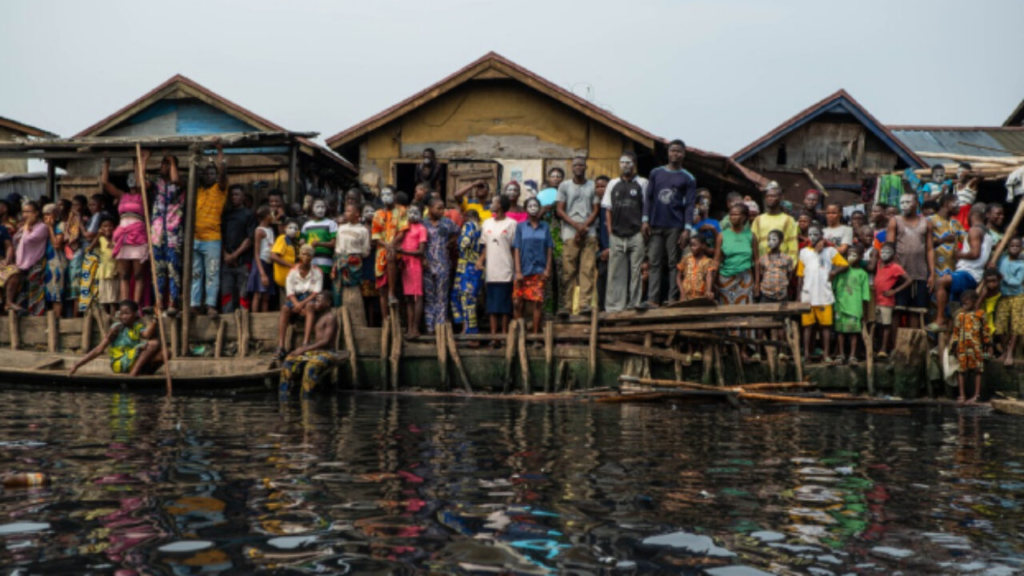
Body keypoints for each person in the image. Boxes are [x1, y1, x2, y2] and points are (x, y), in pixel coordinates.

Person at [642, 140, 696, 307]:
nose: (675, 154)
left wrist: (687, 229)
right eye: (672, 151)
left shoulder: (688, 178)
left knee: (674, 263)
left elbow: (690, 205)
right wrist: (645, 220)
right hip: (655, 224)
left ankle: (672, 299)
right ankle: (652, 299)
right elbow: (648, 198)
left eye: (679, 151)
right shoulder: (656, 173)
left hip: (675, 226)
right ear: (668, 152)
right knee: (654, 262)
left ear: (684, 154)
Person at [602, 152, 649, 312]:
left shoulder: (642, 183)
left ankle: (634, 303)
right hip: (616, 234)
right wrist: (610, 232)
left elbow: (646, 207)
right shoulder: (613, 183)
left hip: (636, 233)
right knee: (615, 272)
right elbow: (608, 210)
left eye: (628, 162)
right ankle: (615, 307)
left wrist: (644, 225)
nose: (625, 165)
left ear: (634, 163)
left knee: (636, 270)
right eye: (622, 162)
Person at [932, 206, 992, 330]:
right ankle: (947, 326)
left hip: (969, 273)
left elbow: (975, 254)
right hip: (972, 273)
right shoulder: (988, 233)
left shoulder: (974, 230)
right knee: (955, 307)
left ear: (971, 214)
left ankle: (940, 319)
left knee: (940, 282)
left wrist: (959, 254)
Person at [714, 203, 760, 360]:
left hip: (745, 279)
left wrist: (757, 283)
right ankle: (727, 347)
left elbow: (756, 260)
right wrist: (712, 283)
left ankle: (743, 348)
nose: (733, 217)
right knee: (727, 314)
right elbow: (717, 260)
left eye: (737, 214)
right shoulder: (722, 235)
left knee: (744, 314)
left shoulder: (751, 236)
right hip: (725, 280)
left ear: (745, 217)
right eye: (731, 214)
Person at [70, 300, 164, 376]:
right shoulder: (116, 328)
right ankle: (133, 374)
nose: (123, 316)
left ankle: (143, 372)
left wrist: (156, 317)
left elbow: (147, 334)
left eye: (127, 313)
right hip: (119, 363)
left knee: (165, 353)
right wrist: (77, 365)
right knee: (153, 343)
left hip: (131, 361)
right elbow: (99, 349)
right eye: (121, 313)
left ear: (135, 314)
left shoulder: (137, 327)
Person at [797, 223, 848, 364]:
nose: (813, 237)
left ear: (821, 235)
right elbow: (800, 275)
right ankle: (807, 355)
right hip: (807, 295)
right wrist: (798, 294)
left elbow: (845, 265)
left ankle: (826, 355)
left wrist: (834, 272)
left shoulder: (830, 251)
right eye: (810, 234)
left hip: (824, 295)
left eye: (816, 234)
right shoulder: (804, 252)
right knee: (807, 327)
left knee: (826, 327)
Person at [556, 156, 599, 314]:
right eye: (575, 165)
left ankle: (584, 305)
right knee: (568, 271)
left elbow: (596, 209)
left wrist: (584, 226)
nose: (578, 167)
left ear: (586, 167)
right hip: (569, 233)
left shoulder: (592, 185)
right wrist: (576, 226)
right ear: (572, 168)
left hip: (589, 232)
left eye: (581, 165)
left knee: (587, 270)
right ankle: (566, 306)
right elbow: (560, 210)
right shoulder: (564, 186)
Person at [279, 293, 344, 396]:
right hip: (316, 352)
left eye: (319, 301)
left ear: (328, 303)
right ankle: (284, 395)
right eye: (316, 301)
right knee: (289, 360)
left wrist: (304, 349)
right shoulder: (318, 316)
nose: (316, 303)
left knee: (311, 367)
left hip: (328, 353)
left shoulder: (330, 318)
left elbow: (325, 341)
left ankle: (307, 397)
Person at [101, 157, 147, 303]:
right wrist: (106, 163)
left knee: (138, 274)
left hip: (138, 235)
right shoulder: (122, 195)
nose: (133, 181)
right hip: (123, 236)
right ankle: (125, 304)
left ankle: (135, 306)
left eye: (135, 177)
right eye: (130, 178)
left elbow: (140, 182)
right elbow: (105, 183)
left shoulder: (143, 195)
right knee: (124, 275)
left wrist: (140, 162)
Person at [192, 142, 230, 318]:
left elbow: (223, 173)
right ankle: (194, 305)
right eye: (206, 173)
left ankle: (210, 305)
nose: (209, 175)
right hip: (195, 238)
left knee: (212, 273)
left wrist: (219, 151)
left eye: (212, 173)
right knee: (196, 273)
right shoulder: (198, 190)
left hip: (212, 239)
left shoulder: (219, 189)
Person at [887, 193, 935, 328]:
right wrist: (898, 270)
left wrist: (932, 273)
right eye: (902, 202)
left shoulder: (926, 223)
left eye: (908, 202)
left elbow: (929, 249)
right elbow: (889, 247)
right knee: (897, 310)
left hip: (920, 273)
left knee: (916, 311)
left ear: (916, 204)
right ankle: (895, 340)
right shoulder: (895, 221)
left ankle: (912, 341)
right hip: (899, 274)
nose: (904, 205)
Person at [513, 197, 553, 342]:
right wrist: (518, 271)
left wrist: (547, 269)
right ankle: (520, 335)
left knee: (537, 302)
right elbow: (517, 248)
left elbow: (549, 248)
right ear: (525, 209)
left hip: (539, 270)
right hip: (523, 270)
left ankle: (536, 335)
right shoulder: (520, 227)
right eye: (530, 205)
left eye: (535, 205)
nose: (533, 207)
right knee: (518, 302)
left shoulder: (545, 227)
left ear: (539, 208)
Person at [480, 195, 517, 346]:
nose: (491, 204)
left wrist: (516, 269)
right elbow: (485, 246)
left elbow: (514, 248)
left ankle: (504, 335)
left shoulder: (512, 224)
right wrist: (480, 260)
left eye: (494, 202)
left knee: (504, 305)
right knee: (492, 305)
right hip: (491, 269)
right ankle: (494, 336)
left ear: (500, 205)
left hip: (505, 268)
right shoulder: (487, 223)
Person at [276, 244, 323, 360]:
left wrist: (300, 305)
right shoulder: (292, 271)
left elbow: (315, 293)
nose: (306, 257)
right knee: (285, 309)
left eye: (309, 255)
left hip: (310, 298)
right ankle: (281, 347)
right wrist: (297, 304)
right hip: (296, 298)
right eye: (303, 254)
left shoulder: (317, 272)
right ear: (299, 255)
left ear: (312, 257)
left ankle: (305, 343)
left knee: (310, 306)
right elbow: (290, 293)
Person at [151, 154, 183, 315]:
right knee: (159, 270)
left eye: (167, 164)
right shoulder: (157, 183)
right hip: (158, 234)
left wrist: (172, 162)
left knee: (173, 268)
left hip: (173, 233)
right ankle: (159, 302)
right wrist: (143, 160)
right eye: (163, 164)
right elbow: (140, 182)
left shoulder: (180, 183)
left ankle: (173, 302)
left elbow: (176, 180)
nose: (164, 167)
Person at [371, 186, 409, 321]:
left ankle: (392, 294)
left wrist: (392, 244)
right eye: (383, 194)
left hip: (397, 248)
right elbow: (376, 235)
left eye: (388, 194)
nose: (385, 196)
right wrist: (386, 245)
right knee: (382, 289)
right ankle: (385, 319)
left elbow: (402, 231)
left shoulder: (402, 210)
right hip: (382, 249)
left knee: (391, 256)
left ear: (394, 195)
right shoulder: (377, 214)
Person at [421, 197, 457, 335]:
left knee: (442, 297)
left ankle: (440, 327)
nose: (442, 211)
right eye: (439, 208)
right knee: (429, 297)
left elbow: (458, 233)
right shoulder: (422, 224)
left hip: (443, 264)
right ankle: (430, 328)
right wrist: (423, 258)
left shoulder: (448, 223)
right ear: (430, 209)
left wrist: (450, 243)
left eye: (443, 208)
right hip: (427, 265)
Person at [5, 201, 48, 315]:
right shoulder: (23, 227)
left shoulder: (42, 227)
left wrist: (26, 226)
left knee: (34, 293)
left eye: (28, 212)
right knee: (21, 293)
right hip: (20, 264)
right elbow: (15, 241)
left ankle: (36, 319)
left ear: (36, 213)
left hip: (35, 264)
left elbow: (28, 239)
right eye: (23, 212)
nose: (25, 215)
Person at [832, 245, 871, 364]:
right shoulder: (840, 271)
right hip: (840, 306)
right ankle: (841, 355)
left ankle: (852, 356)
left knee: (854, 332)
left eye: (854, 255)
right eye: (849, 254)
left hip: (854, 308)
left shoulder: (862, 274)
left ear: (861, 257)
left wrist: (864, 313)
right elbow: (833, 288)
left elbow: (865, 296)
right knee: (840, 331)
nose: (850, 257)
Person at [220, 184, 255, 314]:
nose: (234, 197)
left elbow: (250, 239)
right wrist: (225, 255)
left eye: (237, 194)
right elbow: (219, 236)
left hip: (243, 261)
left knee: (243, 293)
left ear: (243, 196)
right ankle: (227, 320)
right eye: (232, 195)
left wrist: (234, 256)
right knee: (226, 293)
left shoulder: (249, 214)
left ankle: (244, 321)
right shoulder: (225, 215)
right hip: (226, 261)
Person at [451, 208, 484, 344]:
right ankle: (467, 330)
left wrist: (456, 243)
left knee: (465, 299)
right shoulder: (482, 228)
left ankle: (471, 335)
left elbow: (465, 243)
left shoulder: (469, 225)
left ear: (465, 217)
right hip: (472, 267)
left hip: (468, 267)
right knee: (465, 299)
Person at [332, 203, 370, 316]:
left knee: (353, 289)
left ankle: (354, 315)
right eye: (345, 211)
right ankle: (339, 314)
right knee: (337, 289)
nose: (346, 214)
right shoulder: (341, 228)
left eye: (349, 211)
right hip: (340, 260)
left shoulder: (363, 230)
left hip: (354, 264)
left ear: (357, 213)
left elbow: (366, 251)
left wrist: (354, 259)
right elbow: (337, 247)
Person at [873, 242, 911, 358]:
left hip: (886, 301)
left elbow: (909, 280)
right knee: (878, 325)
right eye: (883, 251)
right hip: (877, 300)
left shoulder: (895, 267)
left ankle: (884, 349)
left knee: (886, 325)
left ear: (893, 254)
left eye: (888, 252)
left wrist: (894, 291)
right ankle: (879, 348)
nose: (884, 254)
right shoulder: (878, 263)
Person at [950, 289, 987, 404]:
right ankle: (962, 395)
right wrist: (953, 346)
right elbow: (956, 332)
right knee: (961, 370)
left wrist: (988, 344)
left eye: (968, 302)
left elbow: (985, 331)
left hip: (976, 347)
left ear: (975, 301)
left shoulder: (980, 314)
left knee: (978, 370)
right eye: (963, 302)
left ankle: (976, 395)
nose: (965, 304)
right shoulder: (960, 316)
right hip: (962, 347)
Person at [398, 205, 427, 338]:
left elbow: (421, 251)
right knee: (409, 298)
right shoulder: (404, 227)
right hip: (405, 265)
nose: (412, 215)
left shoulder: (421, 229)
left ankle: (415, 328)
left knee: (417, 297)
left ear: (420, 214)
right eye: (410, 212)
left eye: (416, 212)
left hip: (415, 264)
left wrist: (404, 251)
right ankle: (409, 328)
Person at [751, 182, 798, 261]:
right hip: (762, 263)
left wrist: (790, 264)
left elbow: (793, 245)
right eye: (767, 196)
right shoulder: (758, 220)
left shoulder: (789, 220)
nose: (769, 198)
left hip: (781, 263)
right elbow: (753, 243)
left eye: (773, 196)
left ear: (780, 198)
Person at [996, 237, 1024, 366]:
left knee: (1016, 325)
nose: (1014, 248)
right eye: (1012, 245)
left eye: (1017, 246)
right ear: (1007, 247)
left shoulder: (1022, 264)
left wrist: (1003, 277)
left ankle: (1010, 353)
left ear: (1021, 248)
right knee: (999, 326)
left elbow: (1017, 282)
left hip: (1017, 296)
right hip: (1003, 296)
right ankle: (1005, 351)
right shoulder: (1002, 259)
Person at [63, 195, 89, 317]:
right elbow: (67, 237)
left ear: (83, 206)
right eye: (73, 205)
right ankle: (72, 315)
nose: (74, 208)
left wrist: (79, 220)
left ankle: (77, 316)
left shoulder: (85, 219)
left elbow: (79, 236)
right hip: (72, 255)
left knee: (78, 285)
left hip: (81, 254)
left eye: (77, 205)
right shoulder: (70, 220)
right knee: (72, 285)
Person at [247, 206, 276, 313]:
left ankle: (265, 317)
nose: (273, 216)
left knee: (266, 296)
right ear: (266, 216)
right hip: (260, 264)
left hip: (268, 264)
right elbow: (256, 254)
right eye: (271, 214)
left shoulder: (271, 230)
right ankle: (255, 317)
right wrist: (262, 274)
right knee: (258, 294)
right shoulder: (259, 231)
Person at [929, 194, 966, 277]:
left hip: (952, 272)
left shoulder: (956, 223)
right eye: (956, 204)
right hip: (933, 272)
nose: (959, 207)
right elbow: (923, 245)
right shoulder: (930, 221)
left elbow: (967, 240)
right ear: (946, 204)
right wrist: (943, 240)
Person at [41, 204, 67, 318]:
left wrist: (51, 228)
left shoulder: (60, 226)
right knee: (48, 292)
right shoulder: (42, 227)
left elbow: (56, 244)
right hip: (47, 263)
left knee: (56, 292)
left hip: (56, 262)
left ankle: (56, 318)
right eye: (44, 215)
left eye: (48, 214)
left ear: (56, 215)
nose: (46, 217)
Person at [302, 197, 337, 276]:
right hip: (310, 263)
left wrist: (319, 244)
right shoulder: (306, 225)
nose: (320, 209)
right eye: (317, 207)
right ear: (312, 209)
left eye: (323, 207)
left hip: (326, 263)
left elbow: (334, 243)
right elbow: (302, 242)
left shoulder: (331, 223)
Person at [677, 234, 716, 302]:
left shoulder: (708, 261)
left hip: (700, 297)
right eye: (691, 245)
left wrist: (708, 291)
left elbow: (708, 277)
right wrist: (682, 293)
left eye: (694, 245)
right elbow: (678, 277)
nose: (692, 248)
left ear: (703, 246)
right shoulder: (686, 259)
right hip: (686, 297)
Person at [270, 219, 300, 296]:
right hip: (284, 276)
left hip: (292, 277)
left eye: (295, 228)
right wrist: (291, 265)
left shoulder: (295, 242)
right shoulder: (282, 238)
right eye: (290, 227)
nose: (293, 230)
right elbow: (273, 256)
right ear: (285, 228)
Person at [595, 175, 611, 311]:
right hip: (598, 251)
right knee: (600, 278)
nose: (600, 189)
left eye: (603, 186)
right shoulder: (594, 207)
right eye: (598, 187)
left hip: (613, 249)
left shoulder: (613, 206)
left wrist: (610, 248)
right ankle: (601, 308)